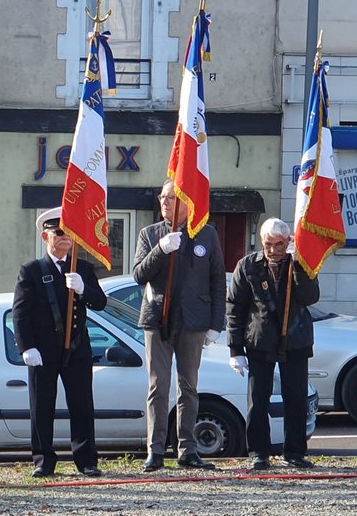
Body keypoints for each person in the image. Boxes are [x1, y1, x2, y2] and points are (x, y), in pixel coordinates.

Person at [132, 179, 226, 471]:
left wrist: (215, 323)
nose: (165, 202)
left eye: (172, 197)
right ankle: (155, 450)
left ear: (188, 202)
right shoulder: (150, 234)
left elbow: (217, 282)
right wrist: (160, 249)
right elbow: (138, 274)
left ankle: (187, 449)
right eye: (163, 197)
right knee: (158, 386)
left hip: (193, 320)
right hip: (157, 318)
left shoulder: (206, 235)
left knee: (189, 387)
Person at [12, 207, 106, 478]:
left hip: (76, 347)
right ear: (46, 236)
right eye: (59, 233)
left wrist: (83, 289)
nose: (65, 238)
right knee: (42, 406)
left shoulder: (83, 268)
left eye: (69, 234)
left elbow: (100, 303)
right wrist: (26, 347)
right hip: (43, 349)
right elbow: (20, 312)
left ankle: (86, 460)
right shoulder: (31, 270)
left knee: (82, 405)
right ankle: (43, 460)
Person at [227, 218, 320, 470]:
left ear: (288, 242)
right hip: (260, 340)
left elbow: (310, 297)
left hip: (295, 339)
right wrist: (235, 349)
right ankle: (259, 452)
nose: (273, 250)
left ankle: (295, 452)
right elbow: (235, 308)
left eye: (279, 244)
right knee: (258, 400)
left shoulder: (299, 263)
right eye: (268, 244)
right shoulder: (248, 265)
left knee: (296, 398)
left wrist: (300, 266)